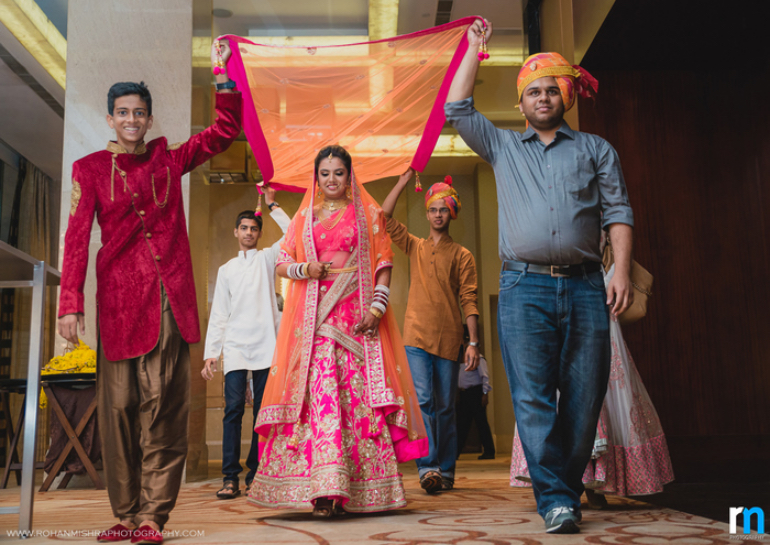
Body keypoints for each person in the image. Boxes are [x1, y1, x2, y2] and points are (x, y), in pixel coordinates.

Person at [445, 18, 635, 534]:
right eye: (534, 91)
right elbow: (456, 108)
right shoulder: (504, 147)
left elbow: (618, 211)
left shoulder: (596, 149)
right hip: (523, 287)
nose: (544, 97)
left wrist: (619, 268)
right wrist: (472, 50)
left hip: (587, 285)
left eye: (553, 89)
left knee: (583, 394)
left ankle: (564, 488)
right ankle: (555, 498)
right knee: (531, 395)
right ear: (521, 102)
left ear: (566, 96)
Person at [57, 40, 242, 544]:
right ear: (111, 118)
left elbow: (224, 133)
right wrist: (69, 302)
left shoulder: (168, 159)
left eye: (139, 112)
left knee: (163, 407)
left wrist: (222, 73)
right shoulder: (90, 170)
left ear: (149, 118)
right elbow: (75, 238)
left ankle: (151, 518)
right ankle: (124, 513)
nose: (132, 120)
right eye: (123, 113)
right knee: (117, 410)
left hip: (166, 297)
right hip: (117, 303)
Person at [248, 145, 428, 516]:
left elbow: (384, 261)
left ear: (350, 176)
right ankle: (323, 491)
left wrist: (377, 308)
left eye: (339, 173)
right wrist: (306, 270)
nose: (332, 180)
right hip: (313, 324)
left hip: (357, 323)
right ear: (316, 177)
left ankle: (359, 488)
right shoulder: (303, 219)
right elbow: (283, 264)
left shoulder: (368, 215)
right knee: (320, 402)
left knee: (355, 403)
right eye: (325, 173)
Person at [510, 263, 674, 504]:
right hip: (561, 306)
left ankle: (594, 482)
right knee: (558, 389)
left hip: (598, 314)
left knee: (596, 391)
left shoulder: (605, 240)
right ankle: (562, 483)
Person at [380, 170, 480, 494]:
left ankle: (446, 469)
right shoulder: (415, 246)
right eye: (433, 210)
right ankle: (428, 467)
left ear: (452, 212)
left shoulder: (463, 255)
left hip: (450, 338)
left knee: (446, 406)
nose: (438, 215)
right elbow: (384, 216)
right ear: (427, 213)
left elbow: (469, 299)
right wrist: (401, 183)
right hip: (416, 336)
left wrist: (473, 342)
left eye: (443, 209)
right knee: (423, 401)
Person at [201, 188, 291, 500]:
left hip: (267, 345)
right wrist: (212, 353)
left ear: (259, 233)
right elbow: (220, 314)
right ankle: (229, 478)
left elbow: (292, 231)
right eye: (244, 228)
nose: (249, 233)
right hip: (237, 348)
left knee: (262, 414)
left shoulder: (268, 259)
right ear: (236, 232)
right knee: (234, 410)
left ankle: (256, 473)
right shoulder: (226, 270)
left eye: (254, 228)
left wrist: (271, 204)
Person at [456, 335, 495, 460]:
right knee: (462, 424)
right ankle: (455, 453)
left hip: (476, 392)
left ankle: (489, 451)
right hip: (463, 393)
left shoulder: (479, 358)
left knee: (481, 422)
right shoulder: (458, 359)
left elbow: (485, 376)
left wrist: (485, 394)